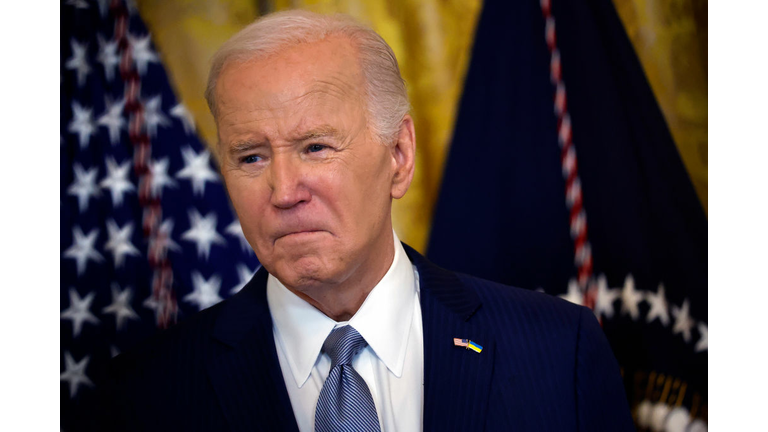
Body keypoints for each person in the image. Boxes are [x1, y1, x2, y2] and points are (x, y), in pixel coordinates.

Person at [106, 10, 634, 432]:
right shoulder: (143, 395)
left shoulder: (559, 352)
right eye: (251, 157)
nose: (284, 192)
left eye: (315, 147)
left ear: (399, 157)